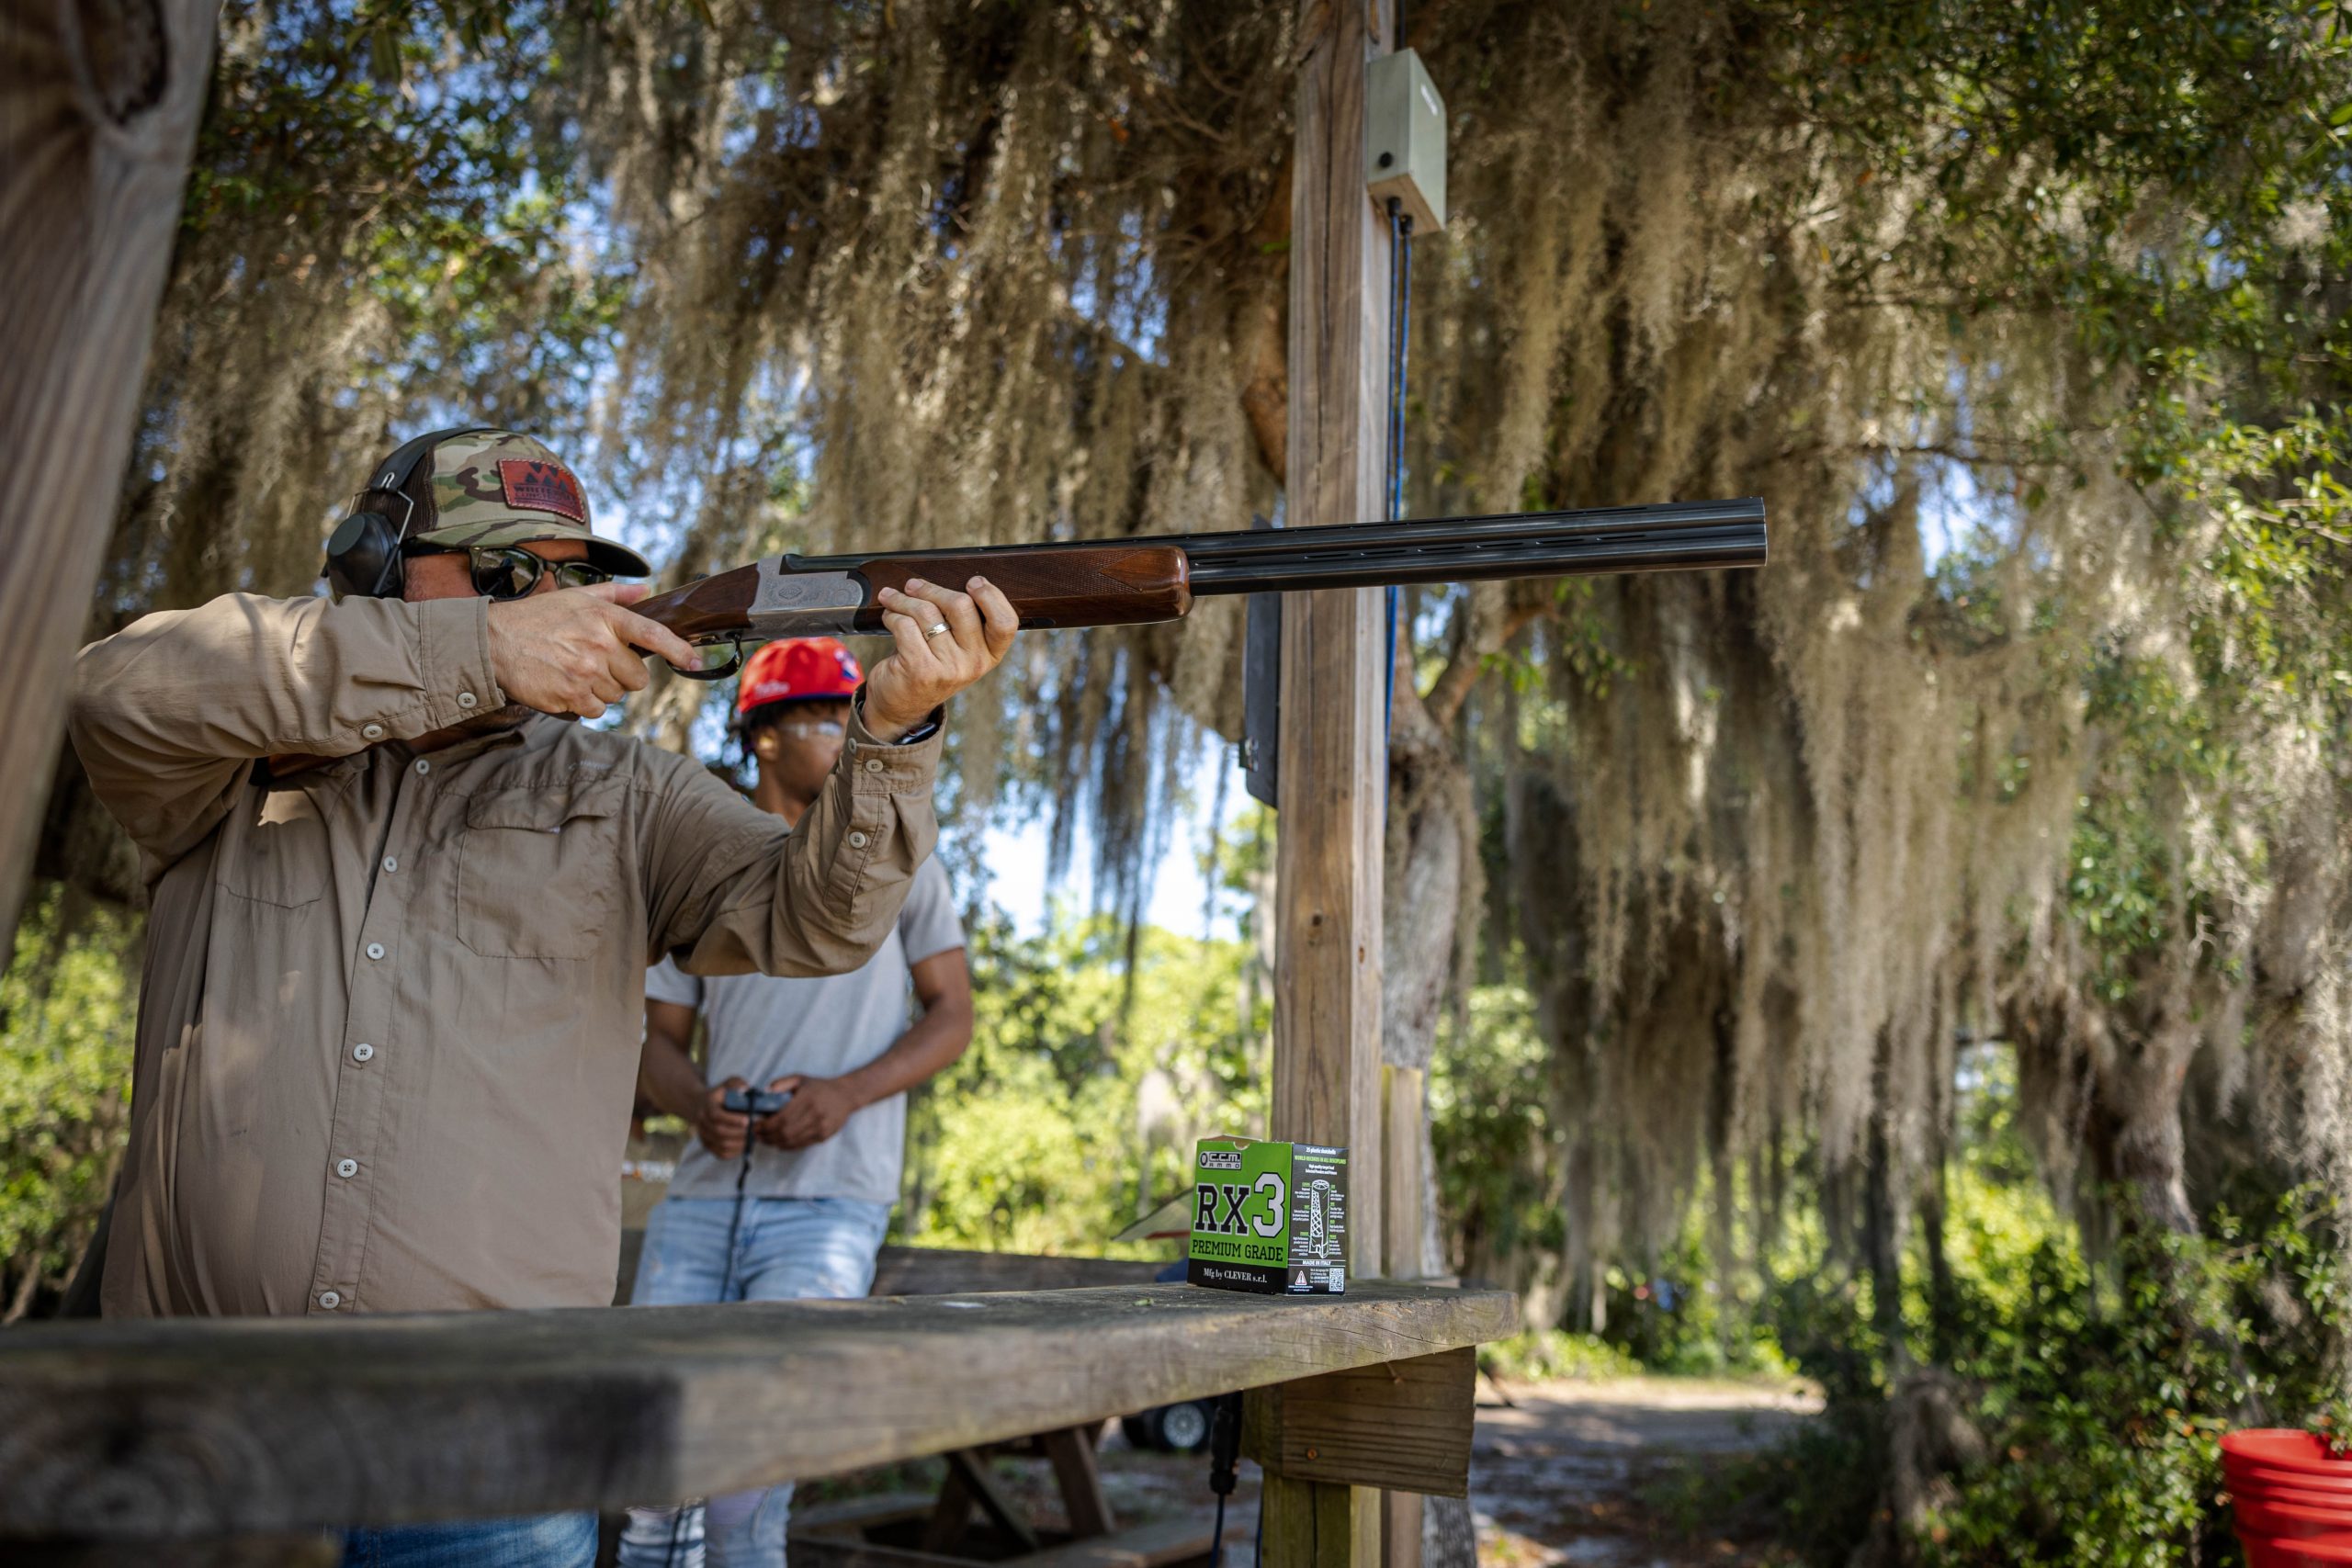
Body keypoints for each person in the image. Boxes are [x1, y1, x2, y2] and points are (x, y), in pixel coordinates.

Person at [66, 429, 1016, 1568]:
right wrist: (474, 650)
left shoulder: (629, 794)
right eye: (506, 575)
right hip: (193, 1438)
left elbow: (815, 922)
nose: (551, 600)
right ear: (374, 568)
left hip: (495, 1459)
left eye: (570, 574)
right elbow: (113, 686)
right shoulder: (237, 762)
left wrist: (895, 726)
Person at [617, 637, 974, 1568]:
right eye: (830, 720)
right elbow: (655, 1040)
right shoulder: (700, 857)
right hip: (698, 1205)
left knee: (744, 1500)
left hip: (826, 1208)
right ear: (765, 737)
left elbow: (953, 1019)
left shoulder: (903, 859)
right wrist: (699, 1102)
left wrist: (848, 1093)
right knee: (654, 1496)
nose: (852, 740)